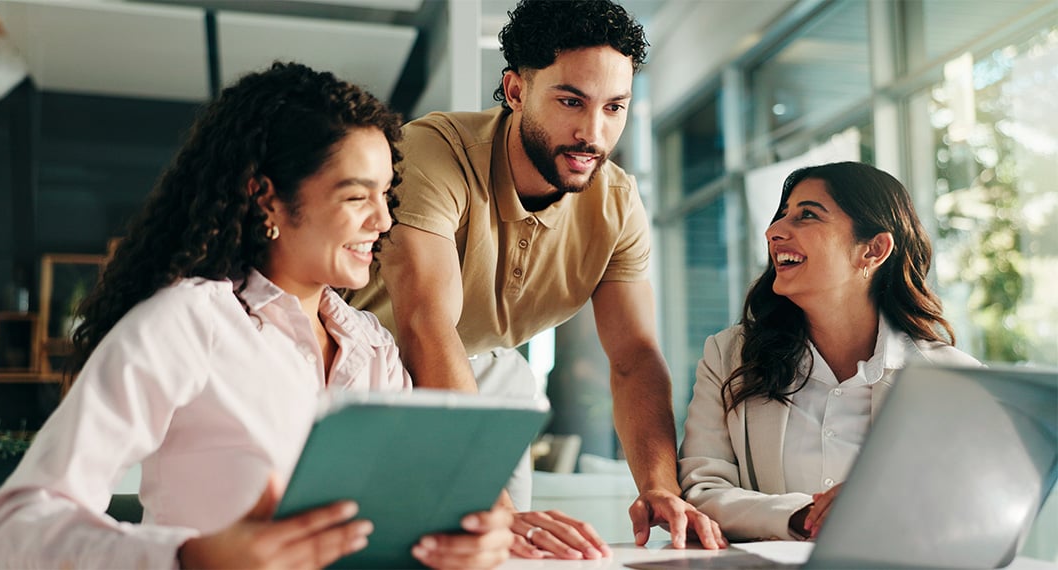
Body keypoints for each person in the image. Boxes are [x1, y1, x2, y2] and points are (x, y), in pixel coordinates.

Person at [0, 62, 512, 570]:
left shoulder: (372, 346)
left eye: (384, 195)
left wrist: (464, 535)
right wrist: (192, 558)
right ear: (267, 198)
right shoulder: (188, 323)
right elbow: (9, 532)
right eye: (356, 196)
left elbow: (401, 513)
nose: (381, 219)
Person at [345, 0, 725, 558]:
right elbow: (426, 325)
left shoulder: (617, 203)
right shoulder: (433, 153)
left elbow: (634, 357)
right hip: (373, 373)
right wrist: (491, 503)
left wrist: (660, 488)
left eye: (614, 108)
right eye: (571, 101)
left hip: (490, 380)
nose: (593, 133)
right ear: (516, 90)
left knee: (510, 553)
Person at [678, 161, 980, 543]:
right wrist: (802, 516)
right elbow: (700, 489)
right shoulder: (729, 355)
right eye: (781, 216)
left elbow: (971, 505)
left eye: (807, 215)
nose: (773, 231)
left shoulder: (952, 378)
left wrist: (882, 506)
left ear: (873, 249)